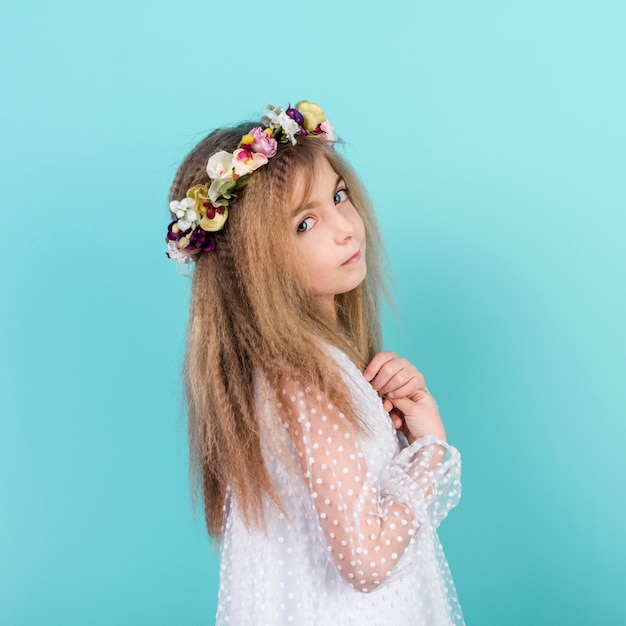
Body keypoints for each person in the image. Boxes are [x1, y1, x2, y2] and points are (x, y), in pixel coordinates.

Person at [165, 101, 464, 625]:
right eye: (305, 223)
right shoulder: (306, 378)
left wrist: (402, 433)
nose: (346, 227)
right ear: (254, 264)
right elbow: (366, 561)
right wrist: (429, 453)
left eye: (339, 196)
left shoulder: (316, 366)